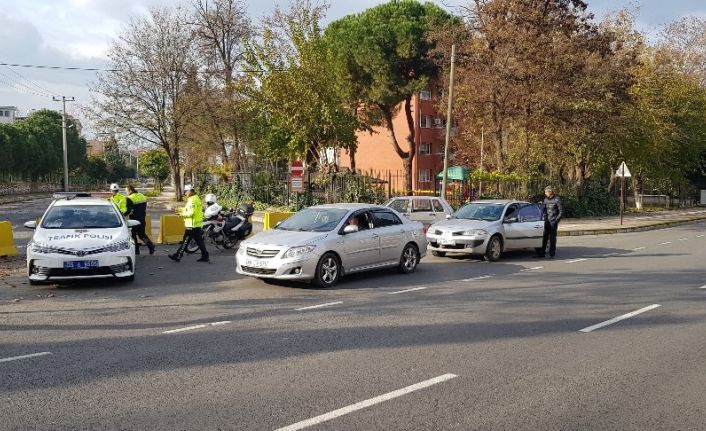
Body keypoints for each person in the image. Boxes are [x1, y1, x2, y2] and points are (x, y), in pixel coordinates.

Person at [169, 184, 209, 263]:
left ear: (190, 191)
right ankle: (205, 256)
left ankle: (178, 255)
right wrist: (179, 209)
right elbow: (188, 209)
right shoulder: (195, 198)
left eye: (186, 191)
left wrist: (181, 214)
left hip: (192, 225)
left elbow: (191, 213)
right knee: (199, 241)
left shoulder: (192, 200)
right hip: (196, 225)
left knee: (186, 241)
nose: (185, 193)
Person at [126, 185, 155, 255]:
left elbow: (129, 210)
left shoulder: (130, 198)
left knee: (133, 235)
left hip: (134, 221)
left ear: (130, 190)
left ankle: (136, 251)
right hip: (142, 219)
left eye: (126, 191)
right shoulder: (142, 195)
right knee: (142, 235)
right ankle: (151, 246)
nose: (126, 192)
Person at [536, 186, 564, 258]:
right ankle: (542, 253)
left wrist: (556, 220)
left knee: (552, 238)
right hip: (547, 221)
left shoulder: (557, 199)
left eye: (546, 192)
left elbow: (561, 212)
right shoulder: (545, 200)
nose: (545, 193)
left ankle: (552, 254)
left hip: (553, 221)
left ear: (550, 192)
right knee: (544, 237)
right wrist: (544, 218)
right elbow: (544, 210)